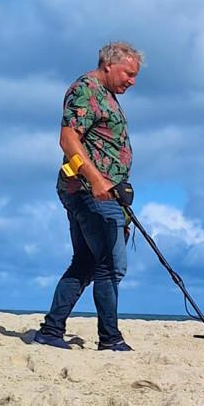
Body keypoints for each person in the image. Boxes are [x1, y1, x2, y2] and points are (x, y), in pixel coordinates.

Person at [33, 42, 143, 352]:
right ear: (109, 64)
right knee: (110, 265)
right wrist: (95, 179)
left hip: (104, 194)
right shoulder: (87, 89)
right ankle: (110, 339)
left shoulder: (106, 95)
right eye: (129, 74)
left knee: (85, 262)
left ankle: (51, 330)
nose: (132, 81)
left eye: (136, 76)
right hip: (87, 191)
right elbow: (67, 138)